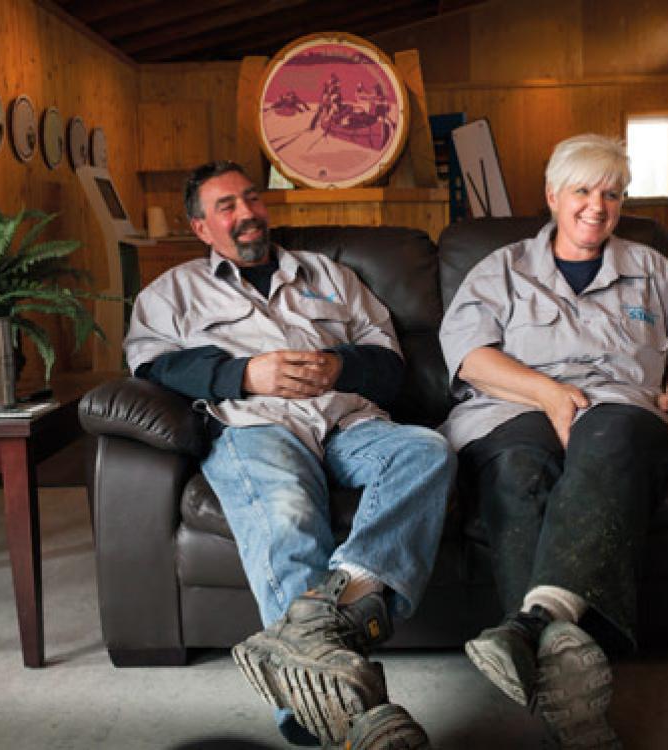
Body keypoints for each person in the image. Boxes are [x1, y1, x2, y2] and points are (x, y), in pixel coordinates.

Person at [124, 161, 454, 749]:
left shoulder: (329, 275)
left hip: (347, 419)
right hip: (256, 428)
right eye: (226, 206)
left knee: (426, 451)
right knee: (287, 518)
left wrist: (340, 366)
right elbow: (152, 367)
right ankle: (341, 719)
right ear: (201, 228)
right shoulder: (171, 293)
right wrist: (243, 372)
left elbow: (389, 358)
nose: (246, 213)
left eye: (252, 198)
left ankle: (336, 607)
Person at [438, 134, 668, 748]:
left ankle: (533, 623)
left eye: (612, 194)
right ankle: (573, 692)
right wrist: (547, 394)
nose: (598, 206)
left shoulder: (653, 271)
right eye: (583, 191)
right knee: (514, 469)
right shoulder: (503, 270)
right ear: (552, 196)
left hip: (621, 409)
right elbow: (468, 357)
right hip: (511, 409)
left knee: (609, 431)